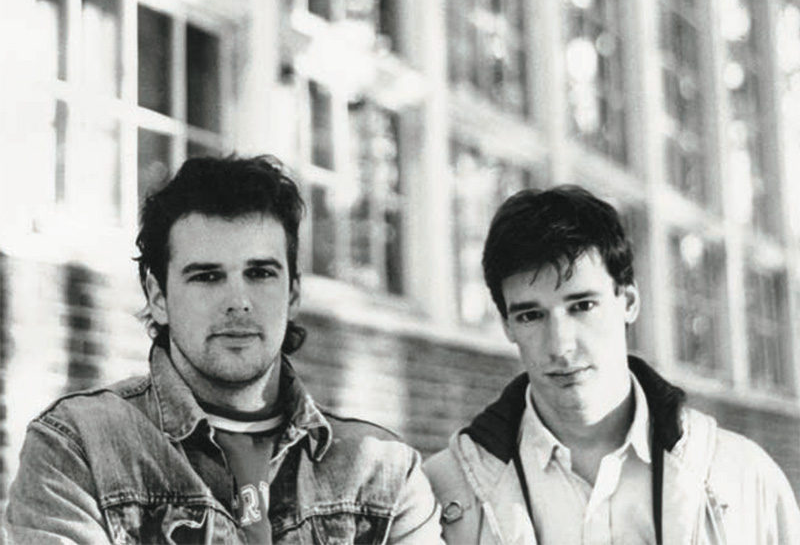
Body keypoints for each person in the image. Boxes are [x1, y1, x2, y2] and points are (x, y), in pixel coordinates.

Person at [5, 155, 442, 544]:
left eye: (260, 273)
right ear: (158, 297)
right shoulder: (80, 446)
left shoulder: (380, 473)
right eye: (208, 276)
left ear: (292, 294)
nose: (238, 300)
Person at [424, 185, 800, 545]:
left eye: (582, 306)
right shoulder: (443, 493)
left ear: (629, 301)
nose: (560, 345)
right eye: (531, 316)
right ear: (507, 324)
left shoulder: (744, 477)